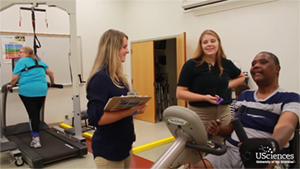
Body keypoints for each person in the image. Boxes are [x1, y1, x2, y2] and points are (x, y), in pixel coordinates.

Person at [191, 52, 300, 169]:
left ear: (276, 69)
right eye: (253, 64)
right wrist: (218, 130)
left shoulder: (290, 98)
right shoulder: (244, 95)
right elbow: (231, 128)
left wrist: (268, 146)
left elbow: (286, 126)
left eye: (263, 62)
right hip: (230, 151)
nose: (256, 66)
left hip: (264, 156)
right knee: (198, 167)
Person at [86, 29, 147, 169]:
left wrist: (137, 109)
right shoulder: (100, 78)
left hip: (124, 145)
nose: (127, 51)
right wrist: (131, 110)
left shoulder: (119, 77)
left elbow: (121, 109)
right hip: (109, 149)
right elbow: (97, 119)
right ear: (113, 48)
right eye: (124, 47)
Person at [176, 29, 245, 142]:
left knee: (219, 145)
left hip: (223, 112)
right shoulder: (191, 65)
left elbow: (241, 77)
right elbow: (180, 93)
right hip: (200, 114)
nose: (209, 45)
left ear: (218, 43)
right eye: (205, 42)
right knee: (199, 144)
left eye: (213, 41)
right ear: (201, 45)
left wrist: (226, 85)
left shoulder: (226, 63)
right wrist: (204, 97)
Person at [7, 46, 55, 148]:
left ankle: (36, 140)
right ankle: (36, 131)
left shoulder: (21, 61)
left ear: (27, 54)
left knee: (32, 114)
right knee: (35, 113)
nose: (19, 55)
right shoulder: (39, 61)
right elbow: (51, 72)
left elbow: (14, 77)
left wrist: (11, 85)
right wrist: (53, 83)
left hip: (27, 91)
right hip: (42, 90)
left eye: (21, 52)